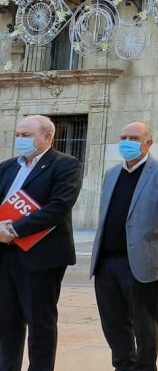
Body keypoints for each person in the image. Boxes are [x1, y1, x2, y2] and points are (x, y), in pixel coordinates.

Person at [90, 121, 158, 371]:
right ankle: (123, 365)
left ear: (148, 143)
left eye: (134, 137)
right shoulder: (111, 173)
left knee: (144, 323)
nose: (127, 142)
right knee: (113, 322)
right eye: (123, 136)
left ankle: (146, 367)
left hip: (141, 262)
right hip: (106, 262)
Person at [0, 115, 83, 371]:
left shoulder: (65, 165)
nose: (20, 140)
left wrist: (14, 228)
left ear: (47, 136)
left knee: (40, 324)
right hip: (5, 255)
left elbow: (58, 207)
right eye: (18, 135)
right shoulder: (7, 167)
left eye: (27, 135)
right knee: (6, 322)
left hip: (41, 257)